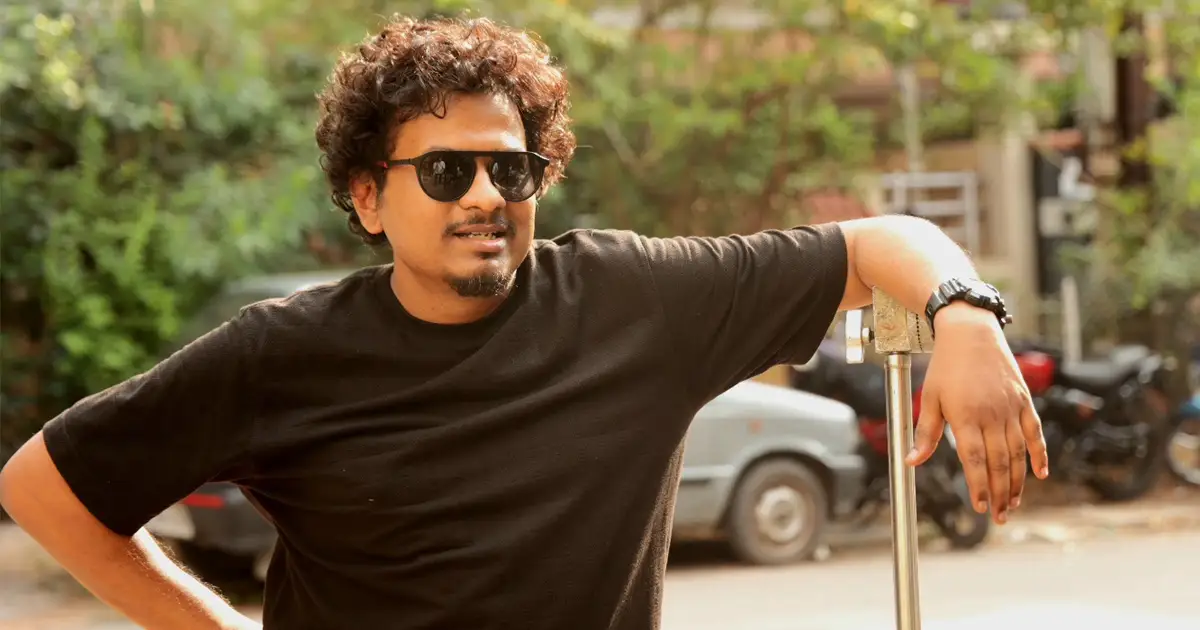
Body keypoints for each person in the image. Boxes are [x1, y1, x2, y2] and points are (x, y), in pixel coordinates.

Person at [0, 15, 1049, 630]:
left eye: (511, 170)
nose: (483, 197)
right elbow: (43, 488)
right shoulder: (284, 352)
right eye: (444, 171)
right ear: (368, 197)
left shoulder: (631, 301)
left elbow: (881, 242)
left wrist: (965, 316)